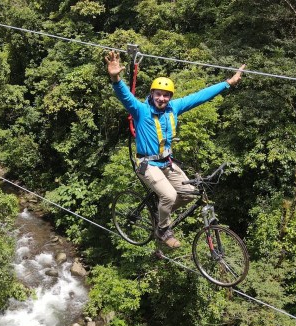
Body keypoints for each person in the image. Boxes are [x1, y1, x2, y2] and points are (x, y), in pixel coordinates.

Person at [105, 50, 245, 248]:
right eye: (158, 94)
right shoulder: (141, 111)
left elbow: (200, 97)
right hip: (147, 164)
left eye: (166, 95)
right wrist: (115, 77)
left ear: (170, 97)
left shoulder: (174, 108)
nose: (162, 98)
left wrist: (227, 83)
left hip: (166, 163)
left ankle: (162, 211)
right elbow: (125, 96)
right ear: (152, 94)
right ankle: (163, 229)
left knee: (189, 193)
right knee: (169, 196)